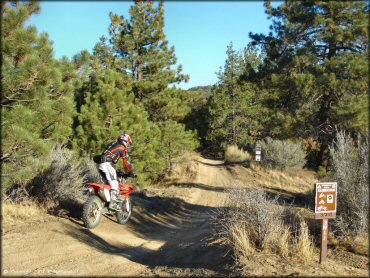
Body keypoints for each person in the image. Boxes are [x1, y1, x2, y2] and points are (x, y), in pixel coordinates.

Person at [94, 133, 137, 210]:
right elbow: (127, 163)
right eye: (128, 143)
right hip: (107, 164)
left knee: (106, 182)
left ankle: (103, 202)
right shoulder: (122, 148)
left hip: (100, 163)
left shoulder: (113, 144)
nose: (127, 145)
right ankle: (113, 204)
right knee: (114, 182)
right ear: (126, 141)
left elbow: (108, 153)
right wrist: (132, 173)